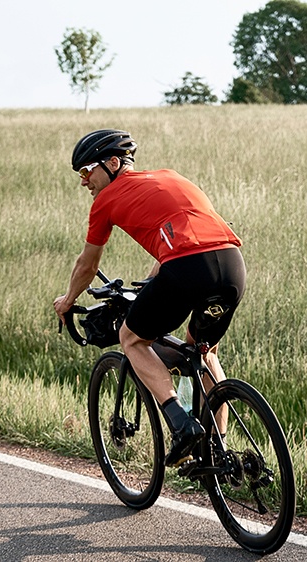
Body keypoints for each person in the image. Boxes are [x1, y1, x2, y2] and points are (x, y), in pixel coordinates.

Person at [53, 129, 246, 467]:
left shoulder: (105, 202)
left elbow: (88, 263)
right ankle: (219, 452)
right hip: (231, 265)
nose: (84, 181)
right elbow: (191, 230)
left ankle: (181, 423)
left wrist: (68, 299)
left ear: (113, 163)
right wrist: (158, 274)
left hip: (186, 268)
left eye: (87, 171)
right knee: (204, 350)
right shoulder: (169, 177)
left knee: (131, 338)